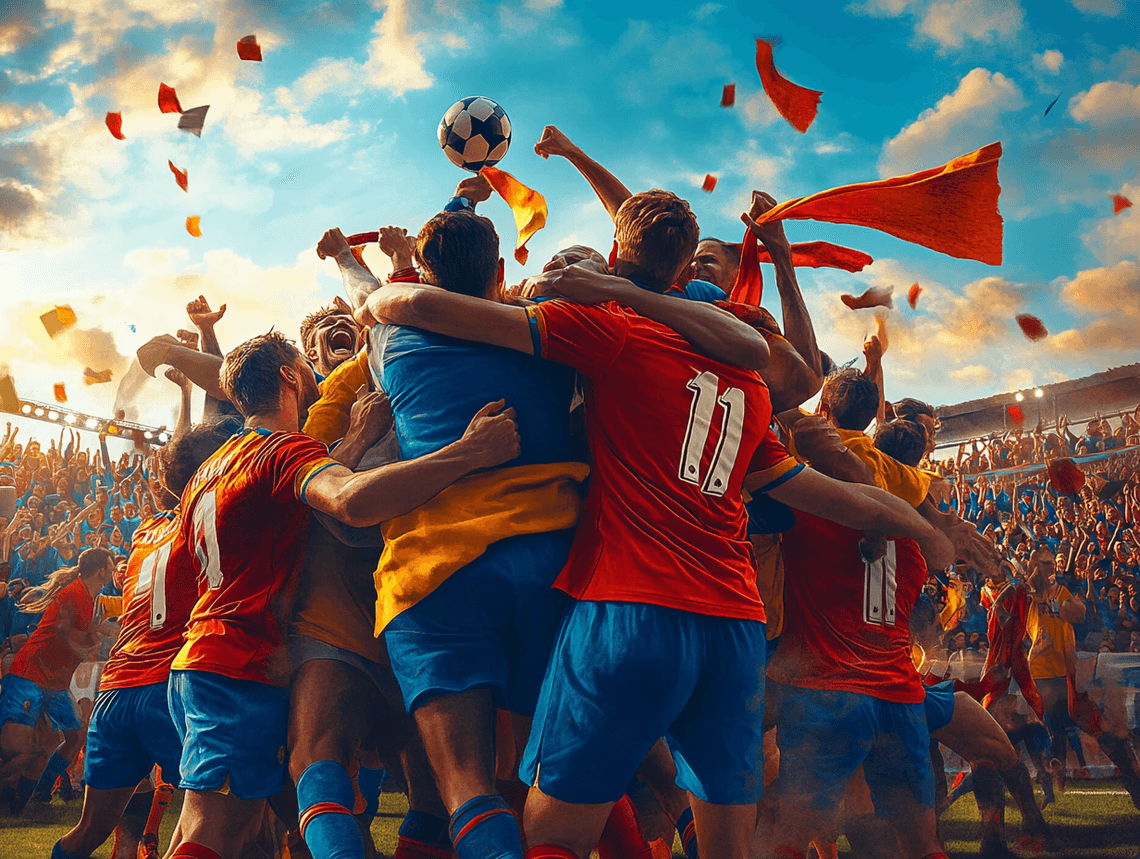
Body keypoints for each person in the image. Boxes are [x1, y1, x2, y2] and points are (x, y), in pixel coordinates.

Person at [356, 188, 954, 859]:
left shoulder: (613, 332)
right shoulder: (748, 385)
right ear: (692, 285)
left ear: (615, 258)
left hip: (628, 604)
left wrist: (386, 288)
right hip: (733, 626)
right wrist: (926, 528)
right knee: (726, 840)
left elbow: (439, 311)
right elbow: (832, 479)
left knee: (549, 829)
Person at [164, 331, 521, 859]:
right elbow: (350, 501)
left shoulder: (208, 470)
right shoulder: (282, 447)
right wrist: (467, 453)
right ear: (290, 375)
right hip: (241, 661)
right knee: (209, 831)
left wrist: (354, 439)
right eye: (302, 365)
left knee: (241, 831)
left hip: (201, 657)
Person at [51, 420, 241, 859]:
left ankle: (140, 841)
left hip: (115, 692)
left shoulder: (142, 535)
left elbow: (182, 456)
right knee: (232, 820)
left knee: (88, 832)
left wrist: (184, 403)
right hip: (168, 686)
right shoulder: (202, 520)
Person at [0, 547, 117, 814]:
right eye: (111, 567)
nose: (113, 571)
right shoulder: (73, 594)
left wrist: (96, 634)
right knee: (16, 748)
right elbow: (69, 638)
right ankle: (10, 797)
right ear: (101, 571)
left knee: (76, 736)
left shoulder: (89, 596)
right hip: (30, 673)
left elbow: (80, 637)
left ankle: (39, 792)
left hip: (55, 682)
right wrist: (94, 639)